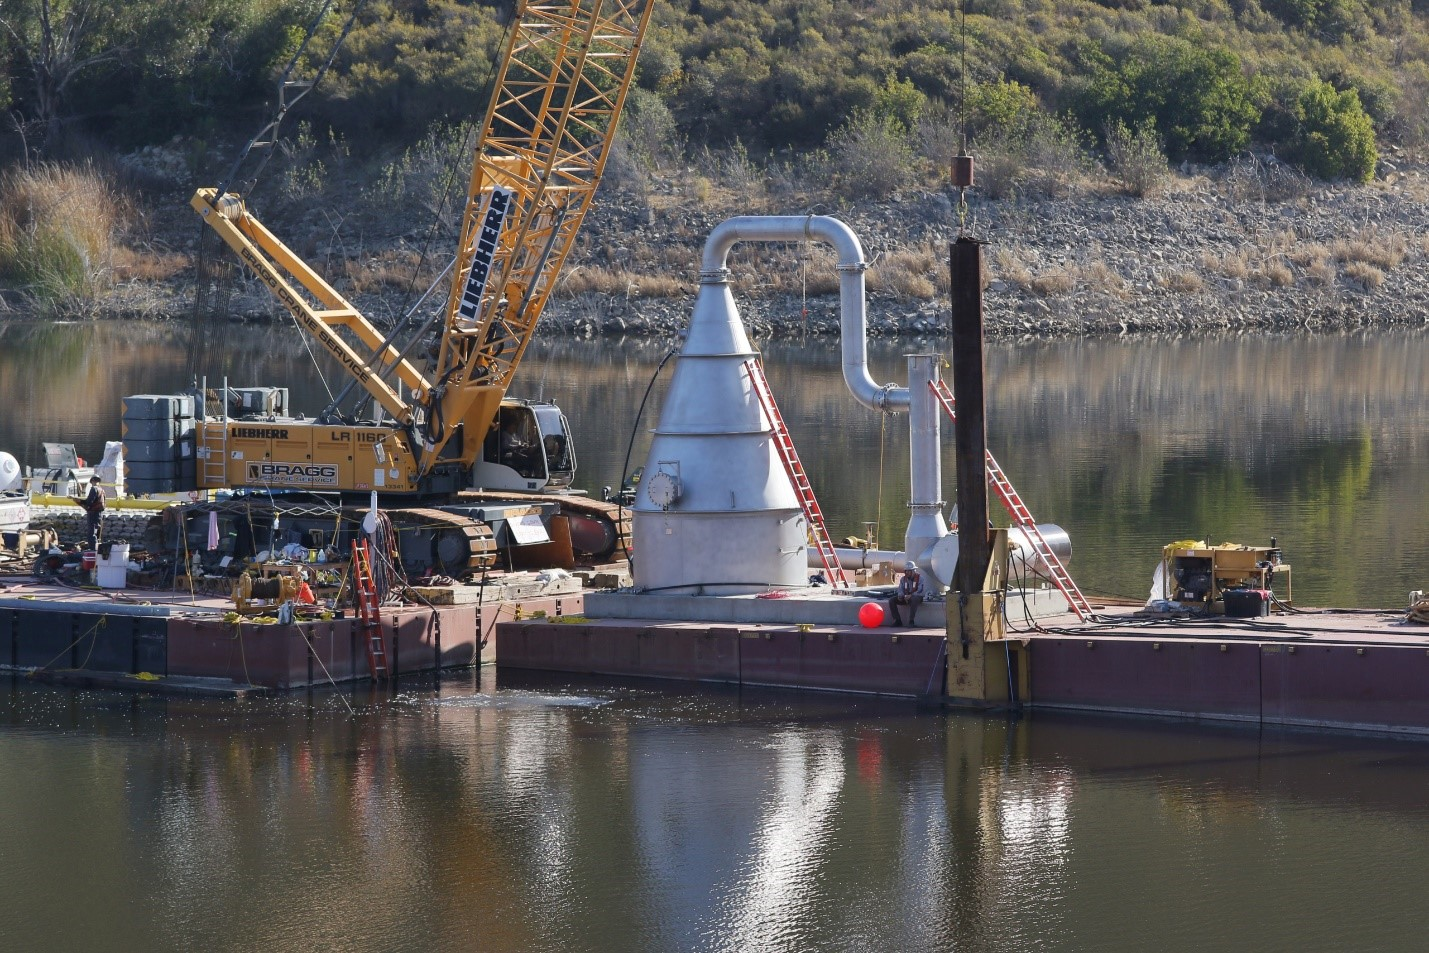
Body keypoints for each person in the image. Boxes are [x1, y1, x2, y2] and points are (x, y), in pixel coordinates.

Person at [888, 560, 926, 627]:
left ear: (913, 571)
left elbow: (921, 592)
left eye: (909, 571)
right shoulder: (903, 579)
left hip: (916, 597)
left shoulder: (920, 579)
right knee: (892, 600)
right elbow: (900, 589)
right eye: (906, 571)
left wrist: (911, 595)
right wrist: (900, 596)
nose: (907, 573)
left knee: (914, 599)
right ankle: (897, 620)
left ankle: (911, 621)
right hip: (905, 597)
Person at [74, 475, 106, 548]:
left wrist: (79, 501)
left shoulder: (94, 489)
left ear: (92, 481)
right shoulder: (102, 490)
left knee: (91, 533)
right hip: (100, 514)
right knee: (97, 533)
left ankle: (93, 549)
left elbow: (88, 502)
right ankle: (97, 549)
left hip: (93, 513)